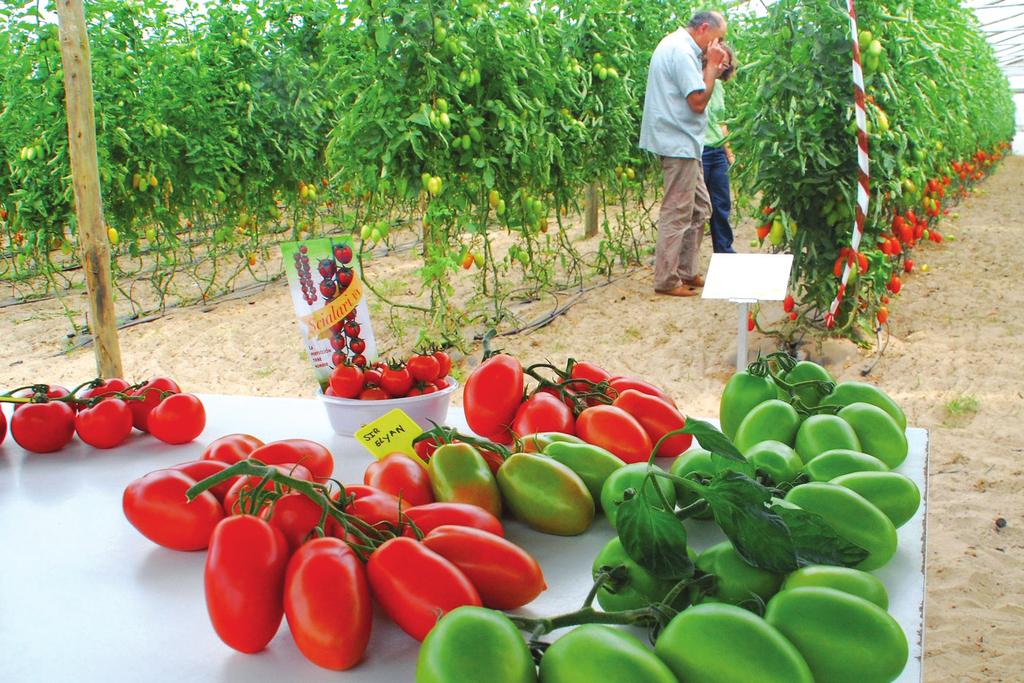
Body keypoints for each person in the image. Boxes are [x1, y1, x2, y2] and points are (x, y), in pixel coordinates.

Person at [639, 11, 729, 297]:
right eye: (719, 38)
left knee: (700, 207)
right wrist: (712, 67)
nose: (719, 45)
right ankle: (666, 280)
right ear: (704, 28)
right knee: (677, 212)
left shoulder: (680, 46)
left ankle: (687, 271)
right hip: (677, 142)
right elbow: (698, 102)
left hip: (685, 142)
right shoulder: (681, 51)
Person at [702, 43, 737, 254]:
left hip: (717, 153)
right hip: (699, 151)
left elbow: (721, 123)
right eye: (721, 62)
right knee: (698, 209)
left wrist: (729, 152)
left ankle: (724, 253)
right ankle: (687, 264)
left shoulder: (719, 87)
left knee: (722, 204)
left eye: (727, 64)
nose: (723, 67)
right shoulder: (698, 83)